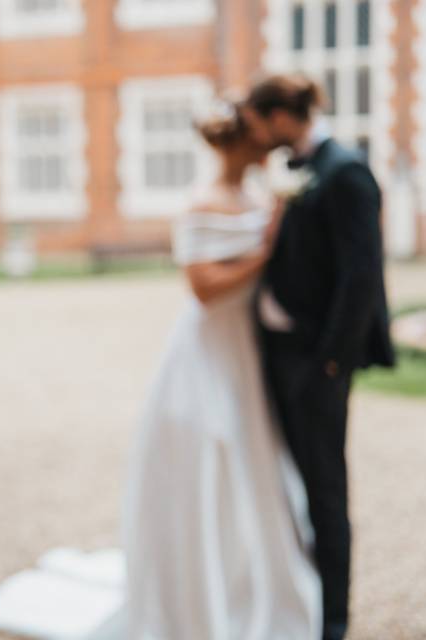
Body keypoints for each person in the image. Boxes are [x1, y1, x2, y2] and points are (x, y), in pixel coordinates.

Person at [123, 102, 322, 639]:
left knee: (256, 470)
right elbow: (204, 288)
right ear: (239, 145)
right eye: (259, 141)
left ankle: (256, 589)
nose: (268, 149)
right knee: (209, 461)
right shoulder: (201, 201)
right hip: (207, 349)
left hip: (250, 351)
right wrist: (267, 251)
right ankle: (201, 597)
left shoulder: (259, 197)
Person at [240, 74, 395, 640]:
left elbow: (361, 280)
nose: (256, 133)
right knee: (290, 484)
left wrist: (331, 364)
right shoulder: (301, 172)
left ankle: (334, 620)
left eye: (259, 121)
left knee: (326, 491)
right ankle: (298, 598)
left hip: (316, 362)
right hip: (278, 356)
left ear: (282, 115)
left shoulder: (346, 171)